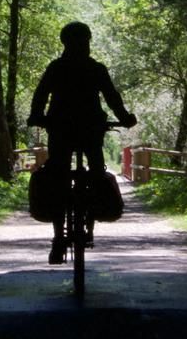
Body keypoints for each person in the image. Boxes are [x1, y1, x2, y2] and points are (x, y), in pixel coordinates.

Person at [27, 21, 137, 264]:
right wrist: (125, 118)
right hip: (91, 129)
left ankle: (58, 239)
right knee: (96, 171)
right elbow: (112, 98)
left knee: (58, 176)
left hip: (60, 128)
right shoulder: (96, 68)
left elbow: (41, 94)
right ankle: (89, 222)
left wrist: (36, 116)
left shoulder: (57, 67)